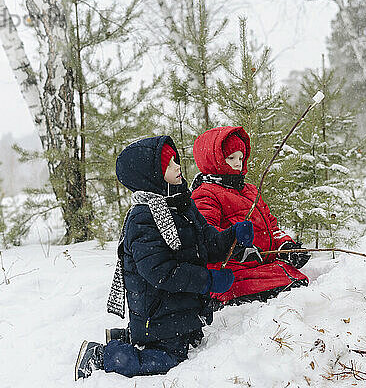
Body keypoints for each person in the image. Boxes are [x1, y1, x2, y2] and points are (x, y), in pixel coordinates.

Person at [74, 136, 255, 380]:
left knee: (192, 340)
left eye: (175, 161)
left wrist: (232, 236)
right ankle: (100, 357)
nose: (178, 167)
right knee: (168, 359)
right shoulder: (143, 218)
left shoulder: (181, 204)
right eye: (169, 165)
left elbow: (207, 242)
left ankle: (128, 336)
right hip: (158, 309)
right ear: (151, 176)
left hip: (179, 306)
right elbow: (162, 272)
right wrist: (208, 280)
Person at [191, 126, 310, 308]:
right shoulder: (205, 194)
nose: (238, 163)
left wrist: (285, 247)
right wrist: (238, 249)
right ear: (213, 159)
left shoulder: (250, 190)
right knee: (273, 287)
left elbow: (271, 228)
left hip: (261, 266)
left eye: (241, 157)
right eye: (231, 158)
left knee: (294, 277)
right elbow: (207, 238)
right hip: (232, 270)